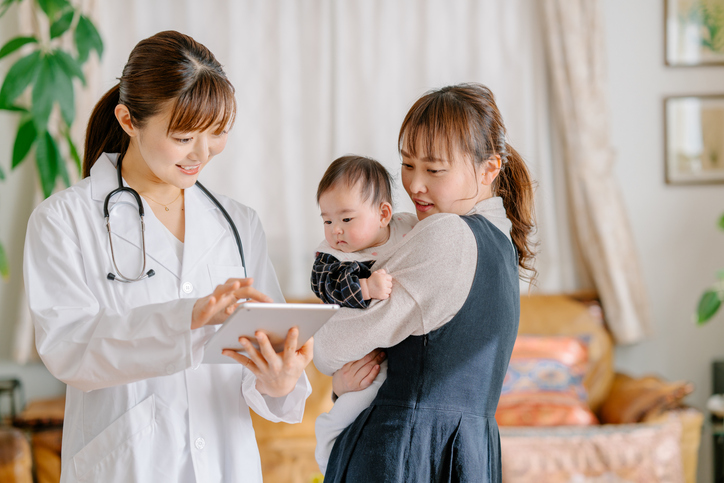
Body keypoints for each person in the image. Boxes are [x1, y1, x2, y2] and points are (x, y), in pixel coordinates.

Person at [23, 31, 313, 483]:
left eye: (216, 134)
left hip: (226, 465)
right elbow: (70, 350)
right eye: (183, 137)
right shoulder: (64, 220)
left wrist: (278, 383)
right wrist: (187, 321)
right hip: (129, 466)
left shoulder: (238, 223)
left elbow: (267, 347)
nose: (202, 154)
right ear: (128, 120)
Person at [313, 83, 536, 482]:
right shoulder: (502, 244)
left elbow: (328, 348)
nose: (415, 185)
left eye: (434, 169)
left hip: (403, 450)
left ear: (489, 169)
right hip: (468, 450)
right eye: (407, 164)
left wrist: (337, 379)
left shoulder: (446, 234)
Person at [309, 155, 417, 472]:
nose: (336, 231)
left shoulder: (408, 228)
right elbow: (324, 285)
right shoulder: (333, 257)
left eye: (346, 219)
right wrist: (365, 289)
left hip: (389, 349)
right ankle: (329, 441)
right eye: (327, 221)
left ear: (384, 214)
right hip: (351, 354)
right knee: (357, 397)